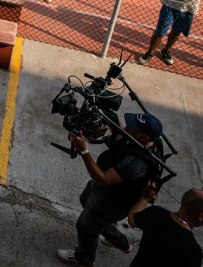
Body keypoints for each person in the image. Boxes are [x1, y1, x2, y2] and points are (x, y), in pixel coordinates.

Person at [56, 112, 165, 266]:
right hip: (106, 191)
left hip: (112, 200)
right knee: (85, 200)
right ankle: (120, 242)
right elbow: (121, 134)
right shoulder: (151, 142)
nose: (125, 128)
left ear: (143, 138)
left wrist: (83, 150)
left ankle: (83, 259)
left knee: (86, 224)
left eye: (130, 127)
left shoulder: (136, 163)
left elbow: (103, 178)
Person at [126, 188, 203, 267]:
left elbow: (132, 219)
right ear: (202, 216)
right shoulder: (193, 251)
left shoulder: (155, 213)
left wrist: (144, 198)